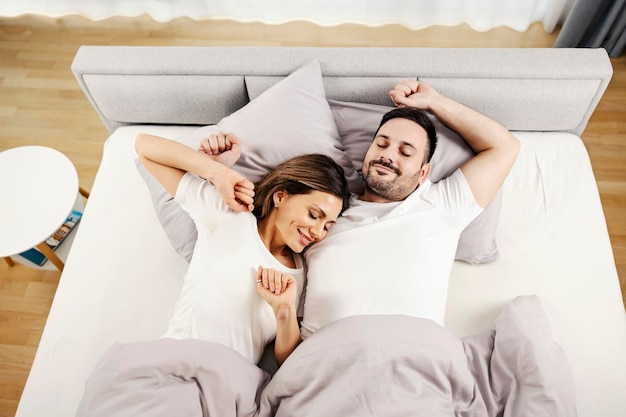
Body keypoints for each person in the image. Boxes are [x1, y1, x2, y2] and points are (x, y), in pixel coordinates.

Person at [299, 79, 521, 337]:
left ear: (423, 172)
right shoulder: (324, 214)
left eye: (406, 152)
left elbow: (505, 146)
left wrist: (434, 102)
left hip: (412, 357)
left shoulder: (442, 205)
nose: (388, 155)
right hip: (324, 361)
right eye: (381, 144)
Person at [135, 132, 350, 366]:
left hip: (235, 385)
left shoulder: (303, 273)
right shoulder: (229, 216)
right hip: (180, 361)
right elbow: (144, 147)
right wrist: (217, 172)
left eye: (328, 226)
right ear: (280, 196)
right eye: (314, 215)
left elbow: (289, 364)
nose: (318, 232)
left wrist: (284, 310)